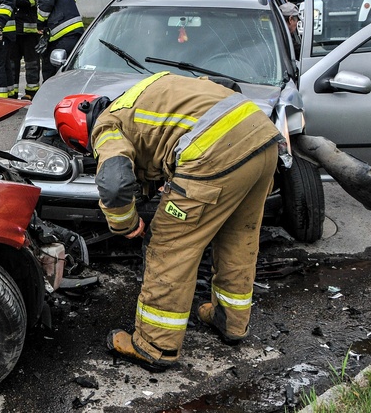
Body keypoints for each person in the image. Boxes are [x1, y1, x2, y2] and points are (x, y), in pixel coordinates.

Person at [54, 73, 281, 370]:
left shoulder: (106, 126)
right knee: (239, 238)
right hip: (262, 139)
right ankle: (231, 323)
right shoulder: (147, 88)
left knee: (169, 247)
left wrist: (126, 224)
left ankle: (154, 345)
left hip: (214, 157)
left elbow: (114, 183)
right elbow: (227, 86)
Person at [28, 0, 84, 81]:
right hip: (69, 34)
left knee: (54, 72)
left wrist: (40, 25)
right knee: (61, 70)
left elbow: (45, 3)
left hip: (66, 34)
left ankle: (51, 96)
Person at [4, 0, 41, 100]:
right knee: (12, 63)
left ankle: (31, 94)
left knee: (31, 63)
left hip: (30, 30)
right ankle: (12, 94)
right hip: (14, 27)